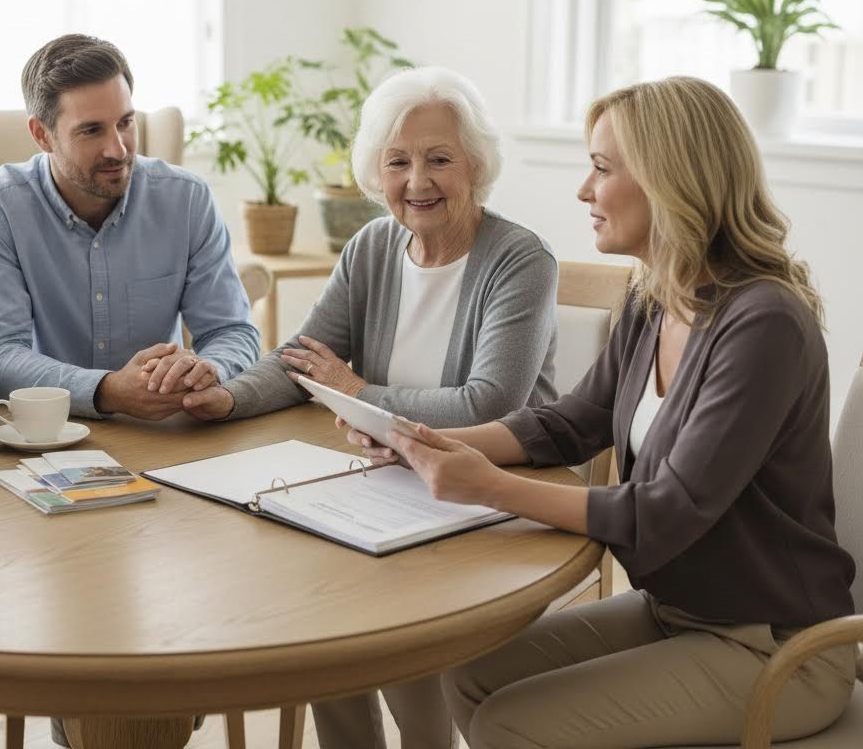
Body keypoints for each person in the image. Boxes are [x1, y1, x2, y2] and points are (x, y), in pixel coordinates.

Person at [344, 76, 857, 748]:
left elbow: (663, 513)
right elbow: (569, 422)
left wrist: (486, 485)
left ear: (671, 180)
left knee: (509, 724)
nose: (584, 191)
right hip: (680, 614)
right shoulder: (656, 298)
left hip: (779, 649)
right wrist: (422, 441)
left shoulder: (763, 324)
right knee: (464, 673)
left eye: (601, 168)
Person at [185, 66, 560, 749]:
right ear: (375, 172)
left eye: (439, 159)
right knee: (325, 603)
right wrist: (225, 398)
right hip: (392, 481)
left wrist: (359, 395)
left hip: (492, 491)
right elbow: (303, 359)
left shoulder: (520, 260)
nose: (417, 180)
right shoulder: (372, 247)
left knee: (382, 616)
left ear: (475, 165)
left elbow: (490, 401)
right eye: (398, 161)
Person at [0, 33, 259, 423]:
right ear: (42, 134)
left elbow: (231, 329)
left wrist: (210, 369)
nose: (117, 149)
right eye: (91, 130)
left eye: (126, 123)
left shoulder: (186, 199)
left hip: (163, 427)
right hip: (46, 431)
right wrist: (107, 391)